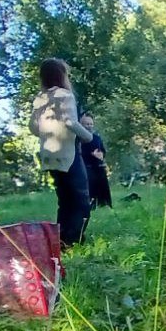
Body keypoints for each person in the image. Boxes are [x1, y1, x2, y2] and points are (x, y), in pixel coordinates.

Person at [29, 58, 93, 247]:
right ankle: (73, 240)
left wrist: (48, 132)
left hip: (49, 154)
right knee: (80, 199)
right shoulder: (65, 95)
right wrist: (88, 136)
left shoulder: (40, 98)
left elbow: (32, 127)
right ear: (61, 75)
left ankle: (60, 239)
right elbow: (70, 122)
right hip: (67, 154)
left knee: (64, 200)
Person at [80, 113, 113, 209]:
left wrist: (101, 155)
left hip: (98, 167)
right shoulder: (78, 139)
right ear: (82, 125)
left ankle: (104, 205)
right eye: (87, 124)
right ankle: (90, 205)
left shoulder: (97, 138)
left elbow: (103, 151)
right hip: (86, 168)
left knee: (103, 187)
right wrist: (91, 154)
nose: (89, 126)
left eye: (91, 124)